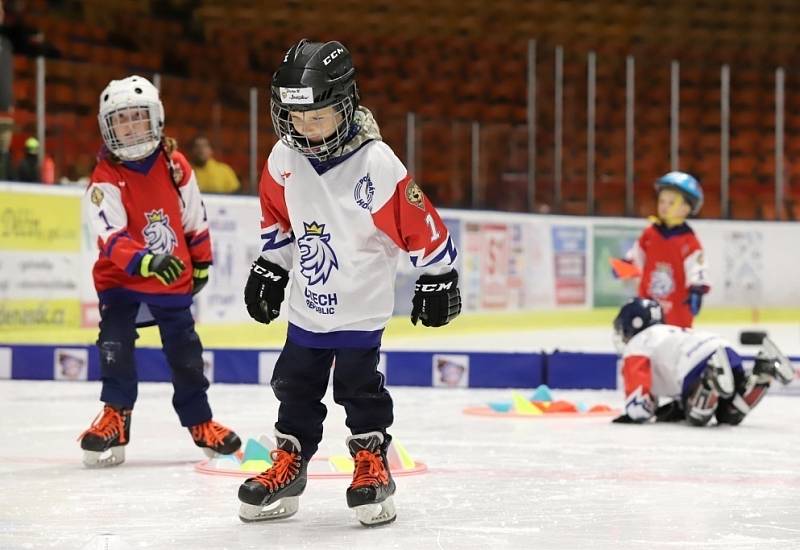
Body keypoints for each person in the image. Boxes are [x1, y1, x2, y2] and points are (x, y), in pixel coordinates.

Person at [238, 39, 461, 526]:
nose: (304, 127)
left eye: (317, 116)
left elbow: (419, 222)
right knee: (293, 385)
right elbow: (277, 219)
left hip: (360, 307)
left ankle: (370, 458)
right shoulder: (283, 158)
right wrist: (272, 265)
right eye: (295, 117)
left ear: (345, 105)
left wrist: (439, 276)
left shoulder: (375, 163)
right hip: (307, 308)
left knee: (360, 389)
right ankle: (290, 460)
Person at [78, 75, 241, 468]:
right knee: (114, 344)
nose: (131, 126)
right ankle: (116, 414)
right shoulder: (104, 179)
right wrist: (147, 261)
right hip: (122, 280)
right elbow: (110, 236)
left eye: (138, 117)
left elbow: (194, 218)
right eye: (121, 120)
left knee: (185, 352)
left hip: (170, 281)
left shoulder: (175, 165)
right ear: (108, 127)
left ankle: (200, 420)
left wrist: (200, 261)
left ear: (156, 119)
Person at [612, 298, 795, 426]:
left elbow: (638, 404)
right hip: (723, 349)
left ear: (633, 324)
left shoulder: (637, 344)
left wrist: (635, 414)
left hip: (695, 363)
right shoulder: (672, 331)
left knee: (697, 416)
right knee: (728, 415)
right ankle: (762, 374)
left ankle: (709, 382)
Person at [614, 171, 709, 328]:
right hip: (647, 307)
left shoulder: (689, 242)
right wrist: (626, 265)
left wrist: (697, 289)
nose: (664, 206)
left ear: (686, 208)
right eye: (662, 201)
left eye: (671, 203)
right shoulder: (650, 233)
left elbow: (697, 267)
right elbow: (637, 254)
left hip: (677, 313)